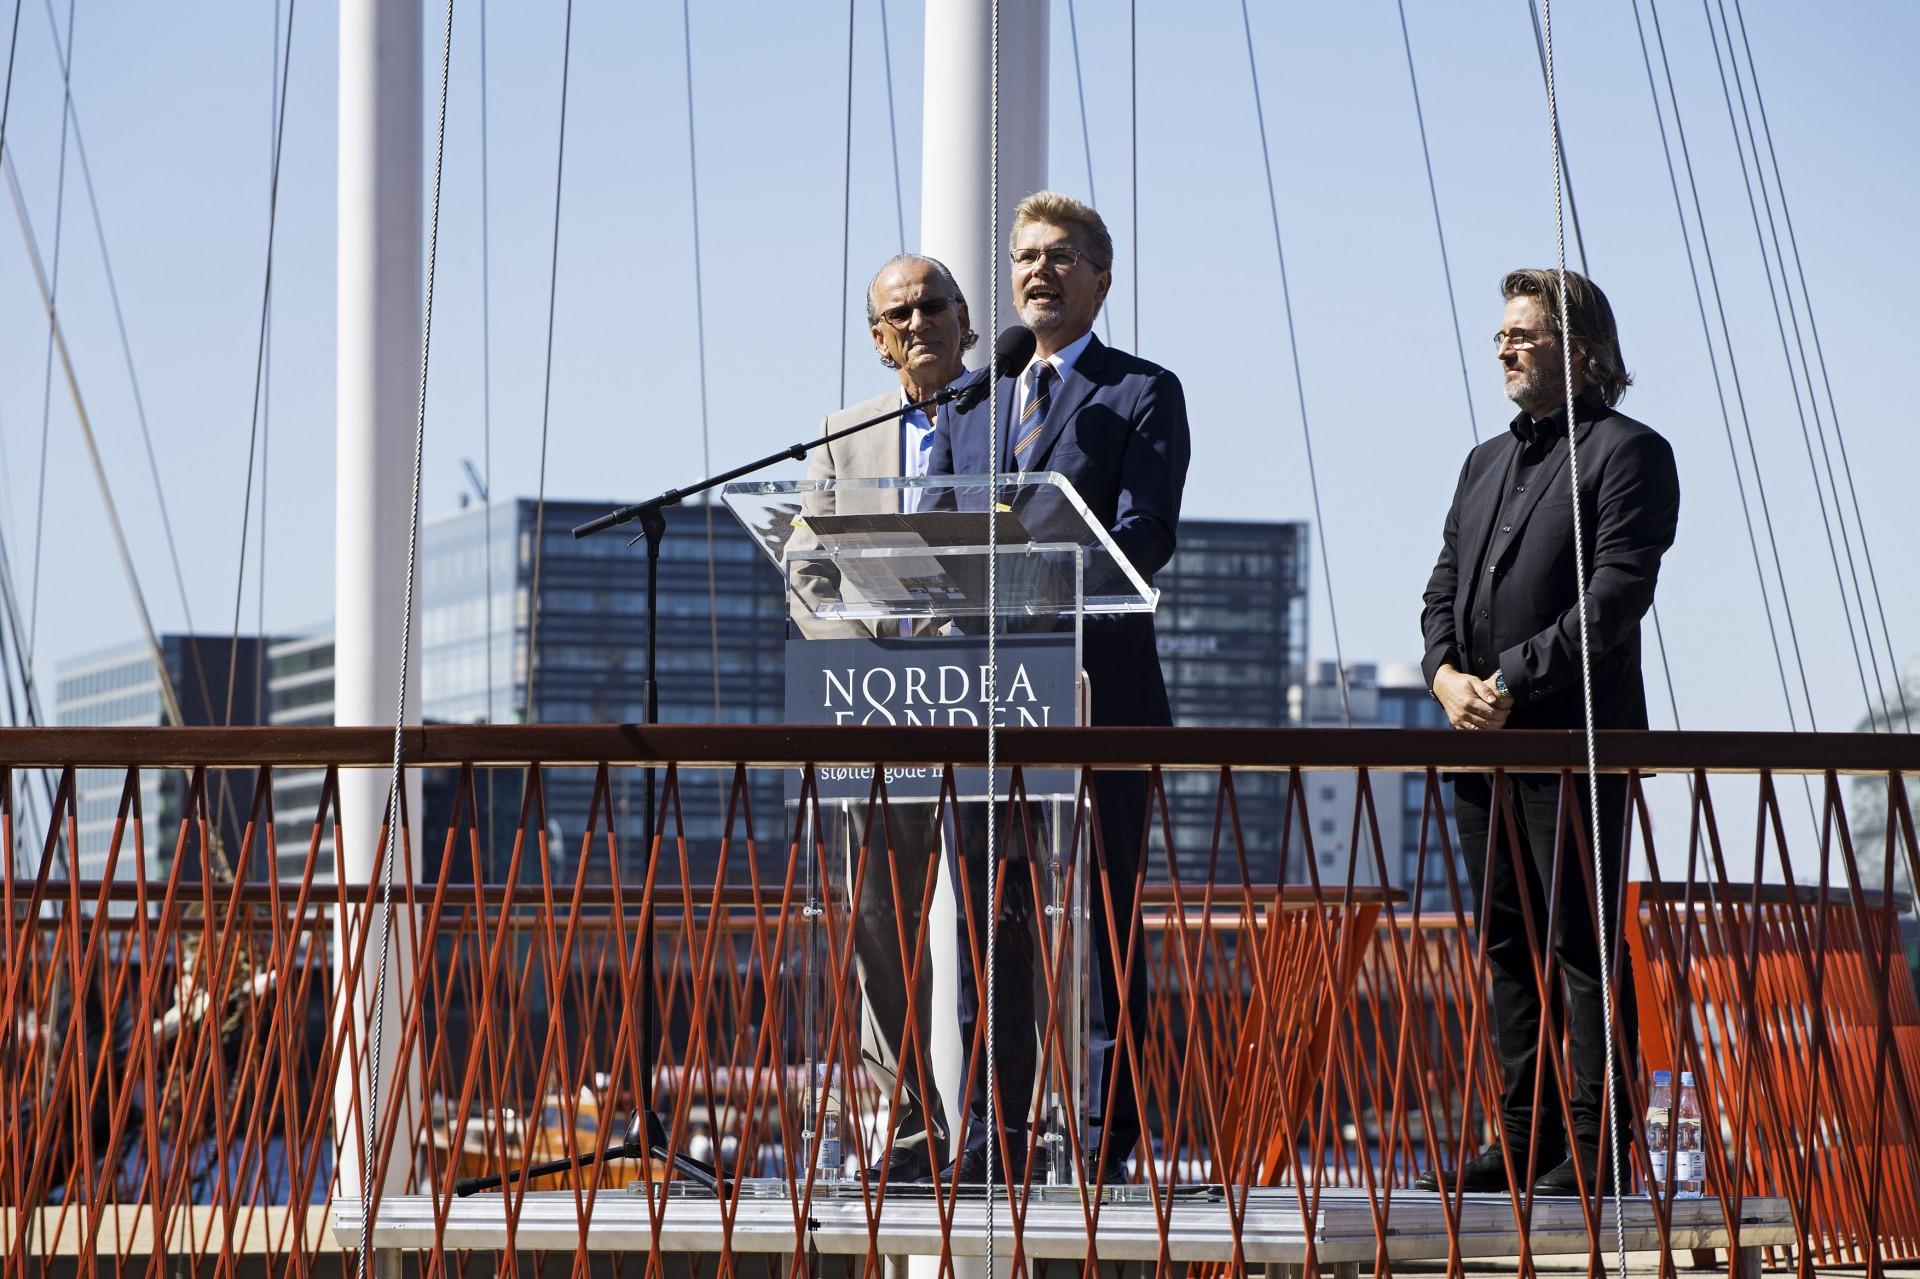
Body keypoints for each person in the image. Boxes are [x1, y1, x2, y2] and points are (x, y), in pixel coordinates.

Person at [929, 191, 1191, 1185]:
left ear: (1100, 278)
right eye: (1022, 257)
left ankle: (1106, 1138)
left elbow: (1147, 533)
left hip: (1102, 694)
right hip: (991, 697)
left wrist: (1043, 578)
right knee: (993, 922)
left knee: (1109, 922)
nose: (1035, 272)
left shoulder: (1141, 392)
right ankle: (990, 1137)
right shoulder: (974, 400)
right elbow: (945, 538)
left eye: (1058, 257)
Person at [1414, 268, 1679, 1196]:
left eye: (1523, 333)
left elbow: (1614, 599)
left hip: (1575, 743)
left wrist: (1506, 683)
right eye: (1501, 334)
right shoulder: (1482, 461)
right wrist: (1446, 678)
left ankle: (1598, 1148)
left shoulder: (1630, 452)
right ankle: (1521, 1139)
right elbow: (1442, 590)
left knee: (1578, 941)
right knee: (1503, 943)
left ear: (1585, 350)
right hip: (1480, 746)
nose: (1503, 346)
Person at [796, 253, 977, 1183]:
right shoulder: (843, 433)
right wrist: (864, 633)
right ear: (877, 339)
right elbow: (805, 566)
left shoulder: (1007, 409)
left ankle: (1002, 1124)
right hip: (880, 700)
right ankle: (911, 1124)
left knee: (1004, 913)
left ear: (965, 317)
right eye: (898, 314)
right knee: (881, 919)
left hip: (995, 697)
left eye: (933, 305)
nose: (918, 323)